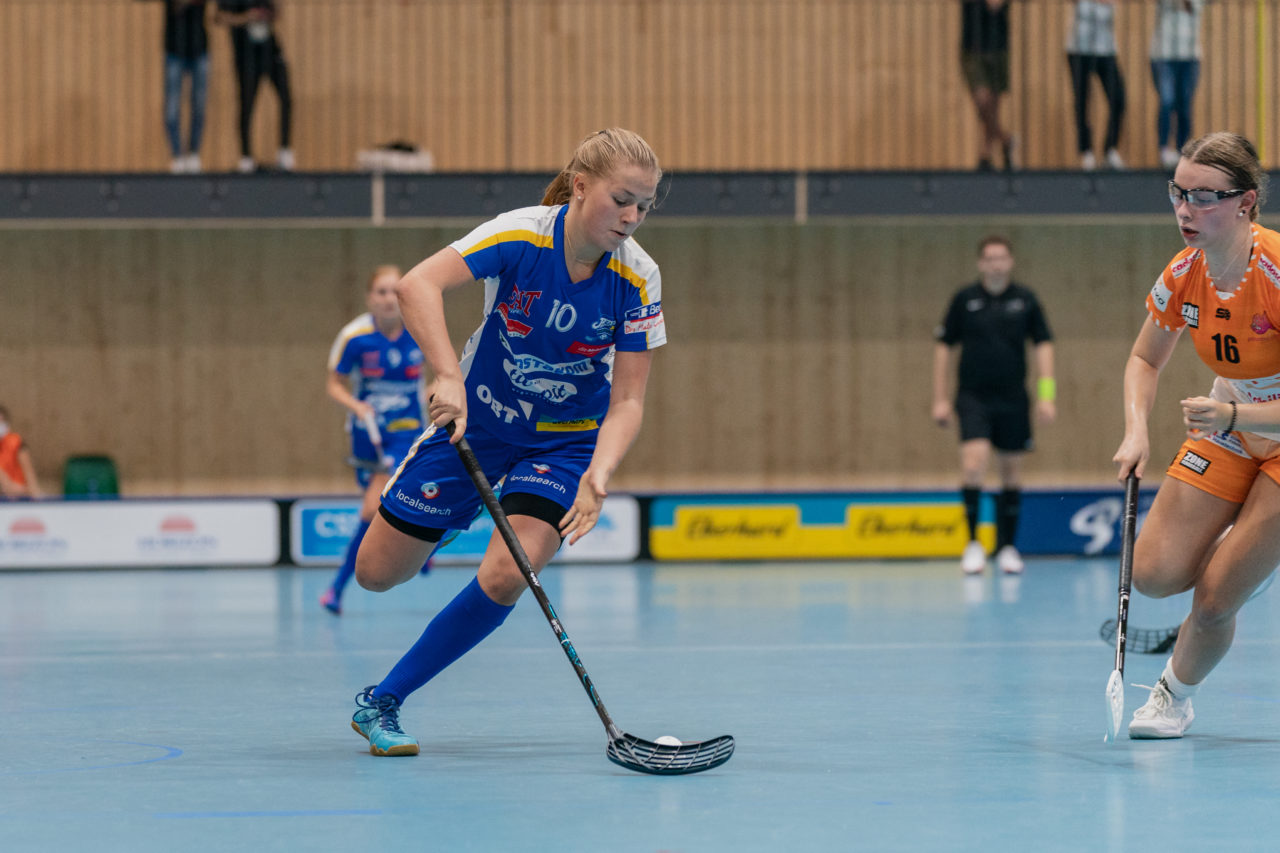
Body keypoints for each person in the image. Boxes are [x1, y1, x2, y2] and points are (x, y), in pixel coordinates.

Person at [346, 128, 664, 756]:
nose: (631, 218)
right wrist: (445, 375)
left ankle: (383, 700)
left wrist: (598, 475)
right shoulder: (521, 233)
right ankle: (457, 512)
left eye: (645, 206)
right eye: (621, 199)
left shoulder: (638, 277)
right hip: (477, 427)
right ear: (580, 186)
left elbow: (628, 400)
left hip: (563, 448)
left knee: (506, 573)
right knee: (376, 574)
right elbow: (418, 285)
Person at [1113, 131, 1276, 739]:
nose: (1186, 209)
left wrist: (1234, 417)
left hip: (1255, 431)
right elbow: (1145, 359)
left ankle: (1173, 695)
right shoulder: (1185, 273)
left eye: (1205, 197)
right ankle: (1248, 554)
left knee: (1212, 601)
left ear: (1246, 202)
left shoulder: (1278, 272)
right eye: (1178, 192)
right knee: (1151, 574)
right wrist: (1136, 434)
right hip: (1231, 424)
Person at [932, 236, 1055, 575]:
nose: (996, 263)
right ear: (981, 263)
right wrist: (940, 398)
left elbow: (1043, 345)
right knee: (974, 464)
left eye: (1001, 257)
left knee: (1011, 472)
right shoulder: (965, 300)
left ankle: (1007, 547)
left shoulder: (1025, 300)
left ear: (1010, 262)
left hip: (1013, 398)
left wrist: (1047, 394)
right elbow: (944, 347)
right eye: (989, 258)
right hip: (973, 397)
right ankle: (973, 544)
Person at [319, 265, 429, 615]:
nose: (388, 299)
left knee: (371, 509)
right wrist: (357, 405)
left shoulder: (421, 328)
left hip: (407, 434)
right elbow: (334, 384)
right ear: (370, 298)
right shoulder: (355, 336)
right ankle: (424, 545)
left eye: (394, 291)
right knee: (376, 506)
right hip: (367, 436)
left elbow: (441, 375)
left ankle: (336, 589)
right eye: (380, 292)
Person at [214, 0, 293, 173]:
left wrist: (273, 11)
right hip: (246, 53)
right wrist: (247, 17)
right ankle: (246, 157)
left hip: (268, 49)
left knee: (286, 97)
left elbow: (277, 11)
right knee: (247, 104)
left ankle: (285, 152)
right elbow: (219, 17)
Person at [1067, 0, 1126, 171]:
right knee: (1082, 101)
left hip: (1106, 49)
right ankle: (1086, 151)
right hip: (1079, 49)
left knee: (1118, 99)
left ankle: (1110, 149)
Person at [1150, 0, 1209, 170]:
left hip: (1190, 57)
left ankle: (1183, 150)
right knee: (1167, 101)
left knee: (1184, 104)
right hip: (1163, 55)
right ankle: (1164, 149)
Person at [154, 0, 210, 173]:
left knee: (199, 105)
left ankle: (193, 152)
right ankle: (177, 154)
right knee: (171, 108)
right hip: (174, 49)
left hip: (198, 48)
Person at [960, 0, 1016, 172]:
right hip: (973, 45)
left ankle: (985, 155)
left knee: (993, 106)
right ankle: (1006, 139)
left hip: (998, 45)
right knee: (983, 102)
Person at [0, 405, 42, 499]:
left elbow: (29, 473)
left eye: (1, 421)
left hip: (21, 494)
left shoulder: (16, 442)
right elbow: (6, 485)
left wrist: (33, 492)